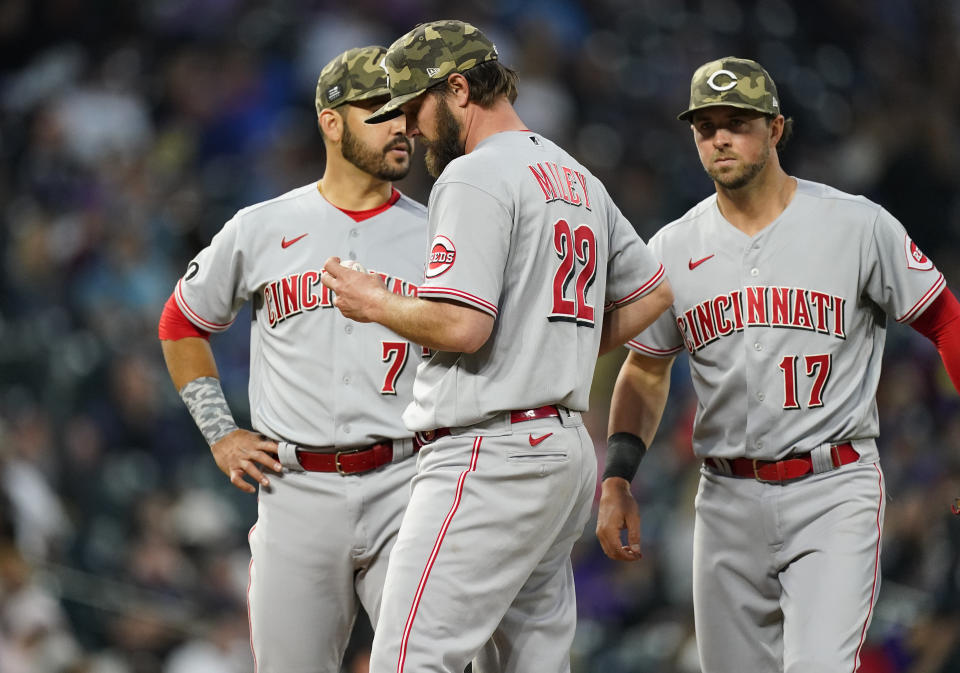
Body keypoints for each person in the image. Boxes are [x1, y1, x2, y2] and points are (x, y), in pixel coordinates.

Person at [319, 19, 674, 673]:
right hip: (561, 453)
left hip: (489, 454)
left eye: (416, 107)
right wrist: (553, 347)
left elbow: (462, 327)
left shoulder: (473, 175)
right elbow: (653, 293)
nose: (412, 129)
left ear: (457, 89)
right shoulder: (576, 178)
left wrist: (374, 303)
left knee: (408, 658)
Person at [596, 56, 960, 673]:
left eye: (736, 121)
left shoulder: (855, 224)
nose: (720, 138)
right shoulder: (674, 246)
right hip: (724, 499)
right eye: (705, 125)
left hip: (833, 487)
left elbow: (946, 320)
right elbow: (647, 369)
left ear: (776, 129)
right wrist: (619, 477)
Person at [158, 46, 429, 672]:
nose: (400, 127)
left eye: (404, 112)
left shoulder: (439, 229)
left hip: (410, 482)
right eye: (379, 111)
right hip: (296, 487)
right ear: (331, 122)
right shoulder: (262, 227)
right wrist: (220, 433)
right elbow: (181, 322)